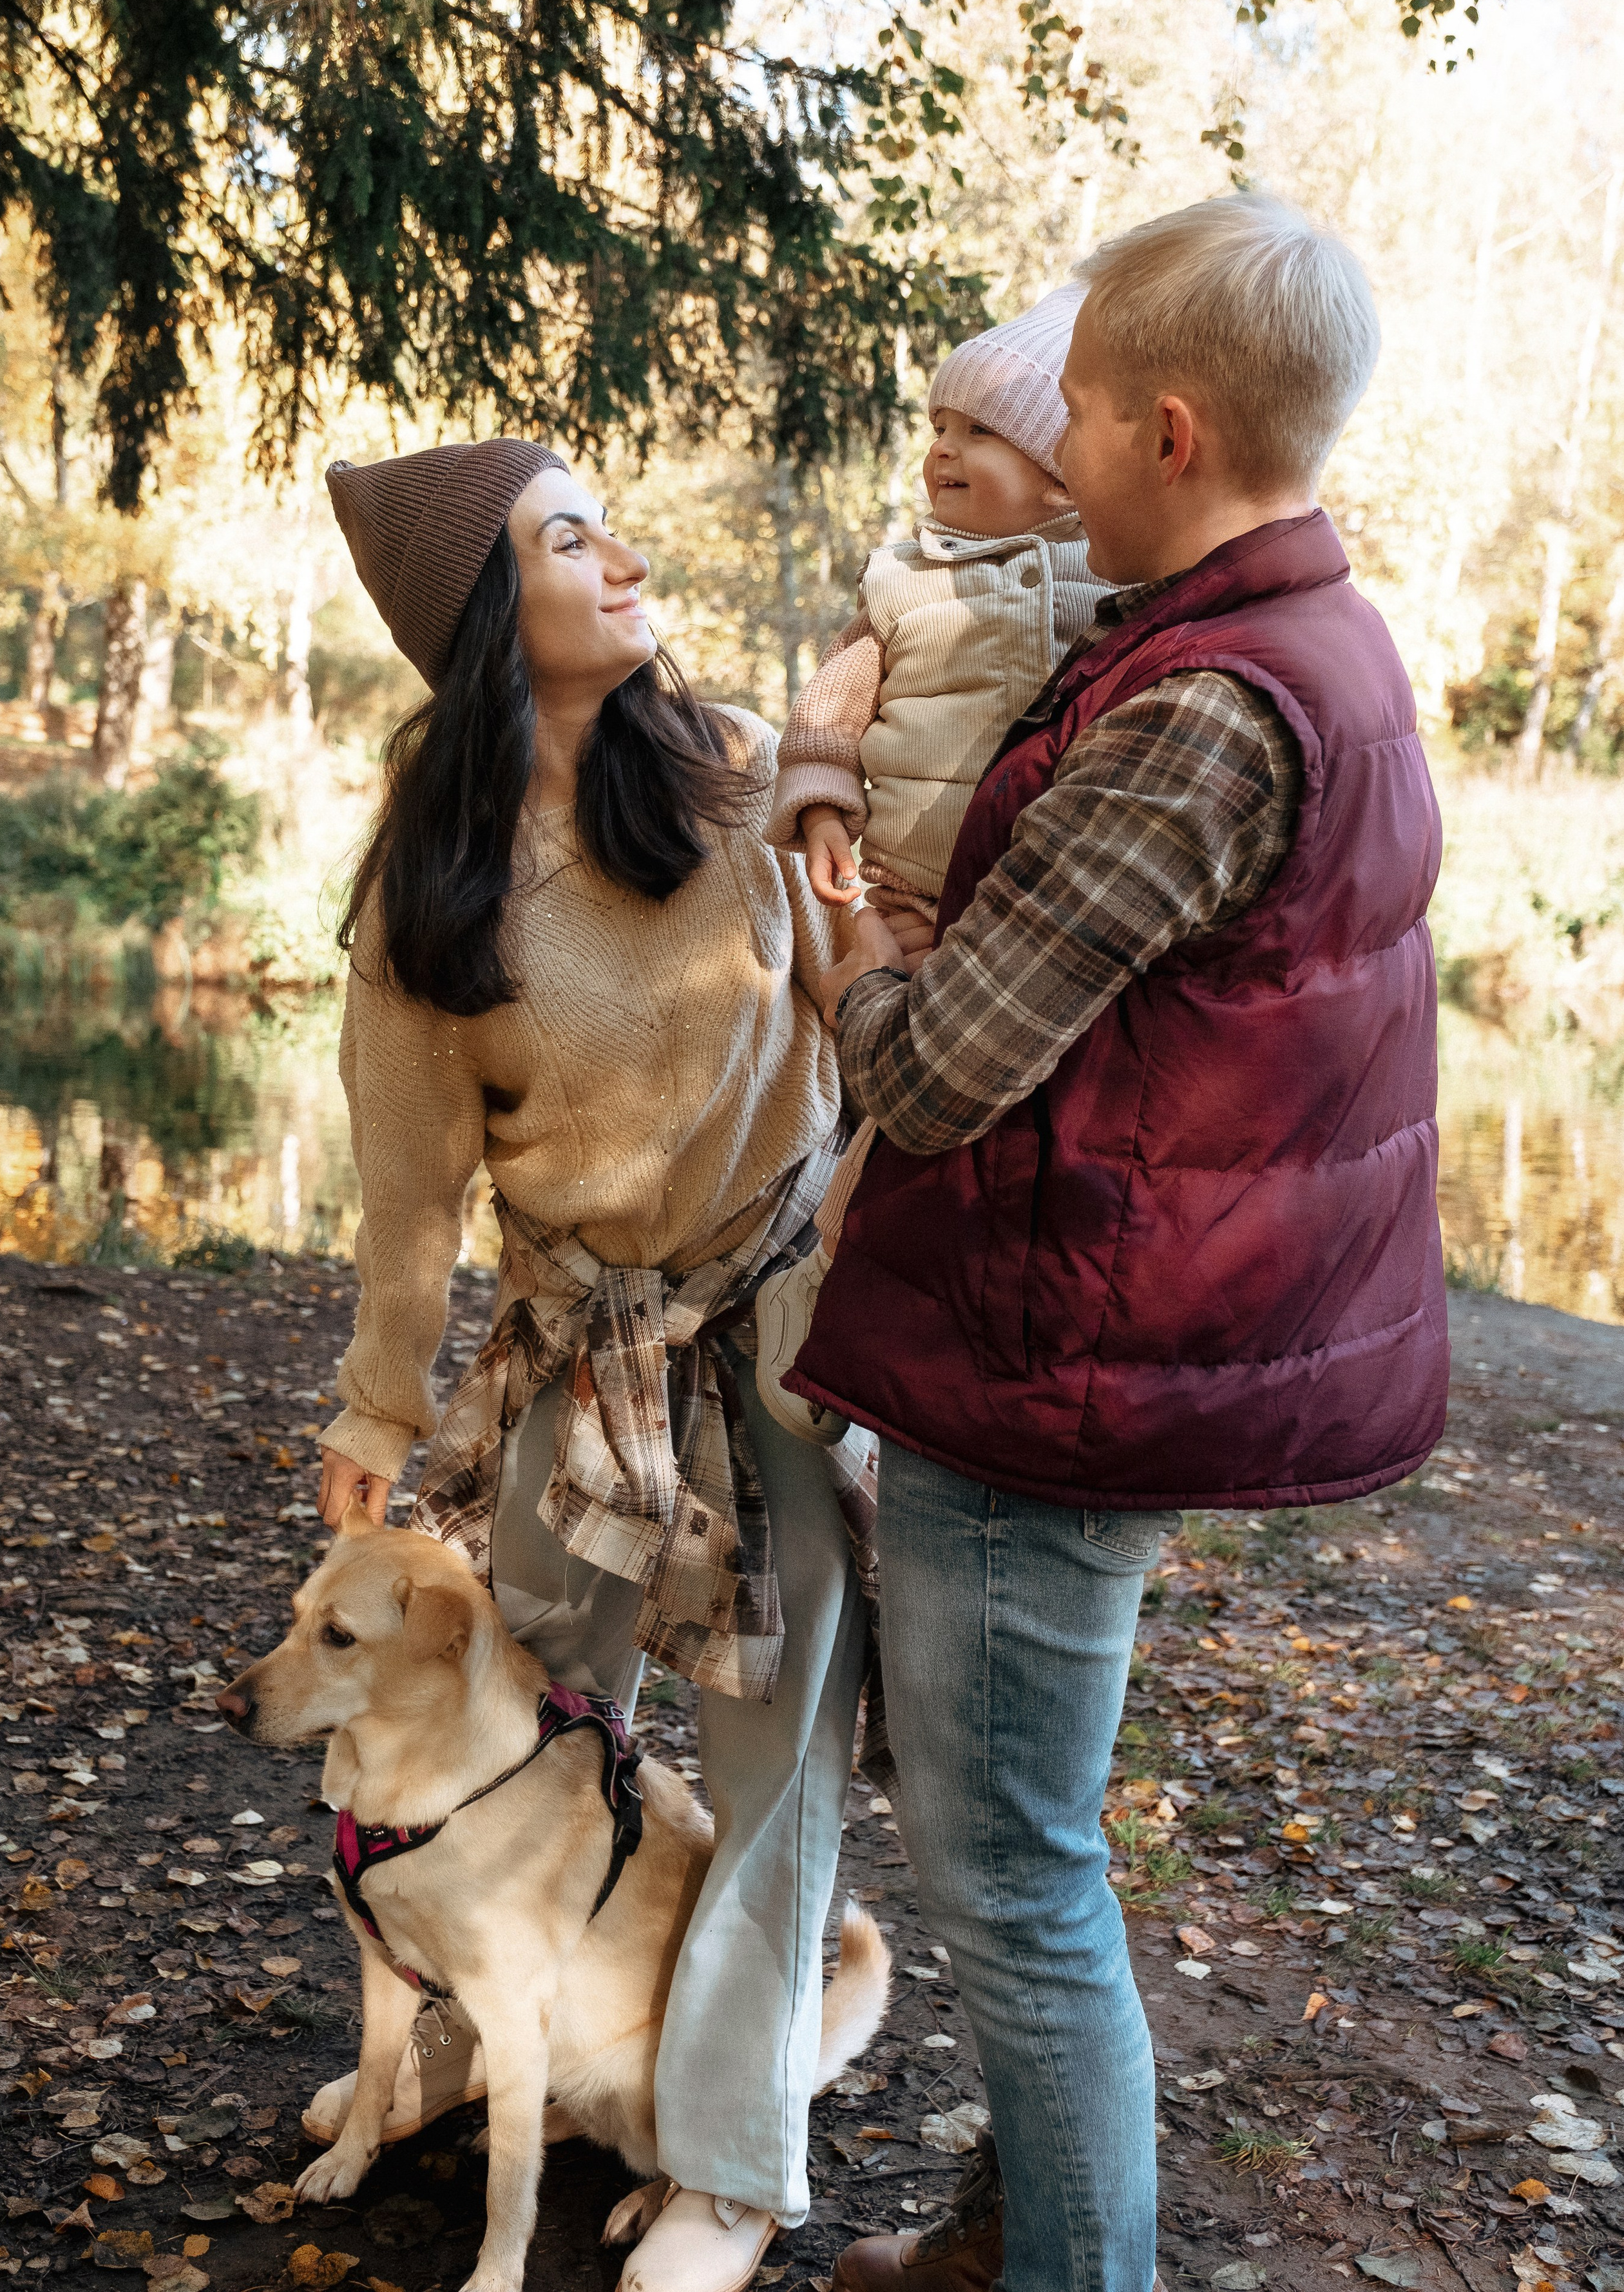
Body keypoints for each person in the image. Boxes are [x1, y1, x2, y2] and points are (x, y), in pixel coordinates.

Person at [788, 195, 1449, 2292]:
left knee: (1010, 1872)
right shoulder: (1286, 641)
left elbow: (937, 1073)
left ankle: (1076, 2270)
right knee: (1020, 1846)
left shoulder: (1202, 708)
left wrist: (846, 938)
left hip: (1061, 1357)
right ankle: (1024, 2231)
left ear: (1169, 429)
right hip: (1125, 1327)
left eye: (1067, 406)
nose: (1042, 446)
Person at [309, 436, 875, 2292]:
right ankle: (489, 2030)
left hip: (781, 1336)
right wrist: (378, 1409)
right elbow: (410, 1200)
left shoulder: (718, 782)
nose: (624, 556)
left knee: (768, 1753)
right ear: (489, 618)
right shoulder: (433, 896)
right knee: (526, 1709)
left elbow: (852, 1035)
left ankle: (726, 2161)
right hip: (584, 1351)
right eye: (570, 539)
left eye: (608, 520)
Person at [754, 285, 1109, 1438]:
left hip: (1023, 904)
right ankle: (827, 1289)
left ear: (1061, 469)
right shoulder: (904, 576)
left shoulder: (1105, 583)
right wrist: (818, 810)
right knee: (891, 1105)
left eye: (980, 433)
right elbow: (833, 705)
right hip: (905, 888)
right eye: (938, 430)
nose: (943, 451)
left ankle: (887, 1295)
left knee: (985, 1112)